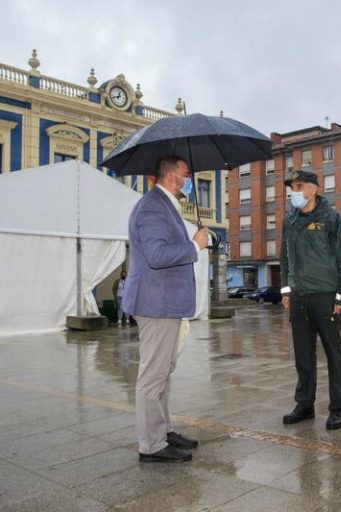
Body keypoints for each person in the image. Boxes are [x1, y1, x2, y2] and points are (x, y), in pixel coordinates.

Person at [121, 156, 209, 463]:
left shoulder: (164, 206)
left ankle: (162, 430)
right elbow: (157, 255)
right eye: (186, 174)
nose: (189, 180)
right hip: (155, 303)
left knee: (163, 373)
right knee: (153, 374)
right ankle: (152, 444)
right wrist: (195, 246)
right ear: (171, 175)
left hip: (166, 304)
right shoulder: (153, 207)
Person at [279, 170, 341, 430]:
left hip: (325, 294)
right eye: (291, 187)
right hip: (299, 296)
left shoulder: (331, 218)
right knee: (303, 353)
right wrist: (286, 290)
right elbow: (284, 256)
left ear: (312, 189)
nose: (294, 192)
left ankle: (337, 408)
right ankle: (305, 404)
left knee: (334, 352)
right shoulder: (289, 219)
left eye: (298, 186)